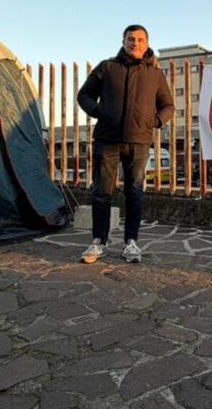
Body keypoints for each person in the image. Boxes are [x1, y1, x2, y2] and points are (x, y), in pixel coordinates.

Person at [76, 24, 174, 263]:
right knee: (102, 192)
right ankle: (98, 242)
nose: (135, 43)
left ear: (147, 43)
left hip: (140, 142)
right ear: (123, 42)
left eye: (140, 40)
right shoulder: (107, 68)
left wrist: (156, 121)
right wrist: (100, 111)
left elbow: (168, 106)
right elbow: (84, 95)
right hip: (107, 139)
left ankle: (131, 243)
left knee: (135, 192)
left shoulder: (156, 75)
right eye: (131, 39)